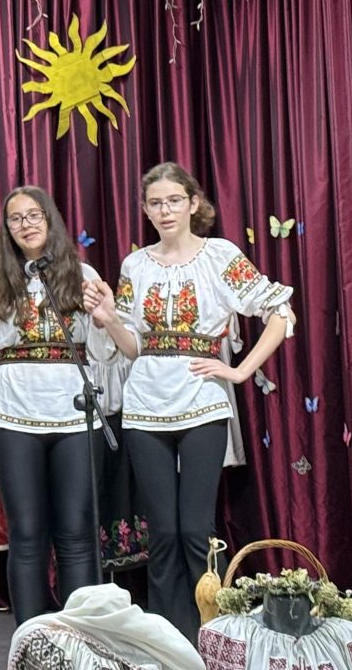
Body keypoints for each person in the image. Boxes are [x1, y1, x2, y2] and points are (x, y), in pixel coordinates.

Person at [85, 162, 295, 642]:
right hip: (145, 406)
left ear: (193, 203)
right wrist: (109, 318)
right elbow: (133, 347)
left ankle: (212, 633)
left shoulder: (219, 255)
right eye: (155, 203)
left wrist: (240, 371)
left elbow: (281, 312)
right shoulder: (135, 265)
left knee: (195, 529)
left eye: (174, 201)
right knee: (162, 532)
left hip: (202, 402)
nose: (165, 211)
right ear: (145, 210)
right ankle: (167, 639)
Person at [0, 186, 117, 623]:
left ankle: (78, 638)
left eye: (33, 215)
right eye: (15, 218)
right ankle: (29, 638)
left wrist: (105, 321)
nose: (25, 224)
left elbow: (102, 353)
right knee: (26, 534)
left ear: (50, 219)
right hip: (14, 413)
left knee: (77, 533)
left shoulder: (83, 275)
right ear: (6, 229)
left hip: (74, 412)